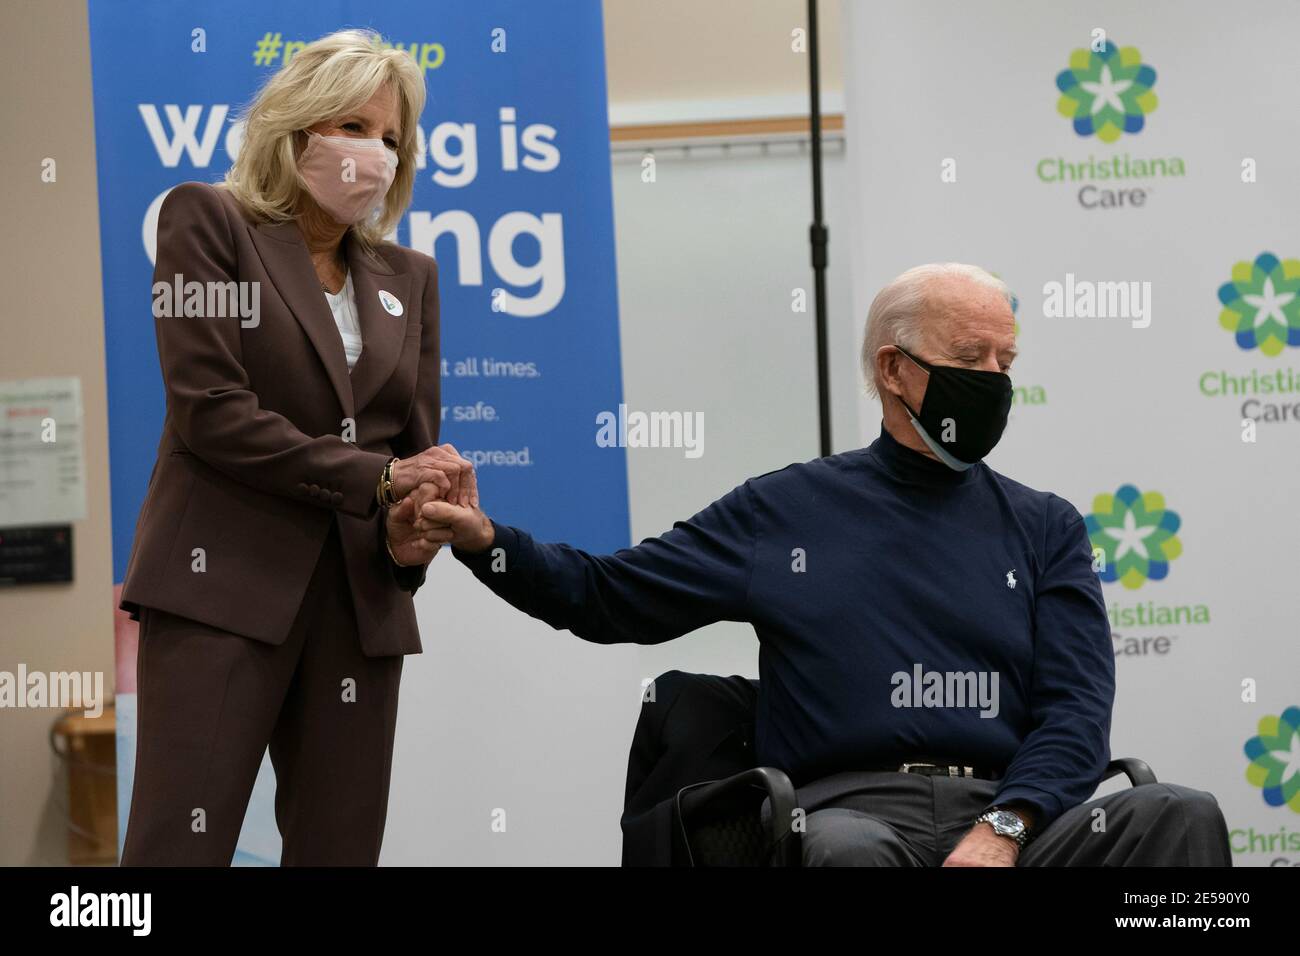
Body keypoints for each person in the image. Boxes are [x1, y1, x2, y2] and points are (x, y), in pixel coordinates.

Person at [416, 263, 1232, 866]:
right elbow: (609, 596)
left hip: (1018, 821)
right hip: (849, 812)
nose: (993, 381)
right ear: (892, 369)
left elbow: (1078, 710)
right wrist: (490, 546)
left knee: (1181, 816)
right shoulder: (787, 511)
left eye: (1005, 363)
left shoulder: (1044, 525)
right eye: (971, 356)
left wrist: (1005, 829)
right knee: (844, 856)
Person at [119, 29, 471, 866]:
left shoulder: (408, 276)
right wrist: (379, 477)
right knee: (177, 850)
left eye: (391, 140)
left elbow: (409, 449)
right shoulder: (208, 222)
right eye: (354, 126)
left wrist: (416, 523)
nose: (375, 154)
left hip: (359, 609)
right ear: (298, 125)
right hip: (221, 591)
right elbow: (211, 410)